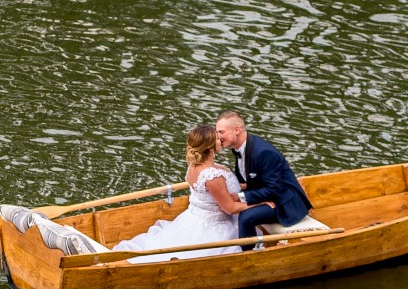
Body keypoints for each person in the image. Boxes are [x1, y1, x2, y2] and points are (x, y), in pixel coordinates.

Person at [110, 123, 244, 262]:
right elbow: (230, 208)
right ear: (210, 147)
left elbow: (219, 189)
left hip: (192, 219)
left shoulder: (194, 166)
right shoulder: (212, 176)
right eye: (217, 138)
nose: (220, 140)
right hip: (216, 226)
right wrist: (257, 204)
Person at [216, 111, 313, 241]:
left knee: (246, 217)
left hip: (283, 201)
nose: (217, 137)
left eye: (221, 132)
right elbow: (249, 179)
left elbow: (274, 190)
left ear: (237, 130)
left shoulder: (264, 152)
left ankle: (247, 255)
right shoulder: (238, 148)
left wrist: (239, 197)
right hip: (265, 191)